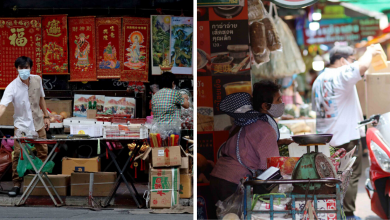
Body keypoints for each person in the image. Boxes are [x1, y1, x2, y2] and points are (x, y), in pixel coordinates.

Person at [312, 45, 382, 220]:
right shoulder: (340, 75)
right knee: (349, 176)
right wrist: (370, 52)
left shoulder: (318, 80)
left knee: (330, 177)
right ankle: (348, 215)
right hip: (345, 136)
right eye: (352, 60)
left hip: (325, 138)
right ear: (343, 60)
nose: (353, 63)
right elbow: (362, 67)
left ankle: (332, 213)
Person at [209, 80, 293, 212]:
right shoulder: (266, 129)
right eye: (278, 99)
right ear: (265, 106)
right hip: (233, 183)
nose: (282, 103)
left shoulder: (243, 122)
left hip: (217, 178)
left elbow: (248, 145)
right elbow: (269, 168)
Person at [0, 56, 51, 197]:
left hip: (38, 123)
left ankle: (42, 182)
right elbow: (3, 105)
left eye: (26, 67)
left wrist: (46, 116)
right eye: (21, 68)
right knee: (18, 155)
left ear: (30, 68)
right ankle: (16, 184)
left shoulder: (37, 80)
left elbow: (41, 97)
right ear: (17, 69)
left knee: (43, 152)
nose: (24, 70)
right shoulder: (12, 87)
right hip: (21, 125)